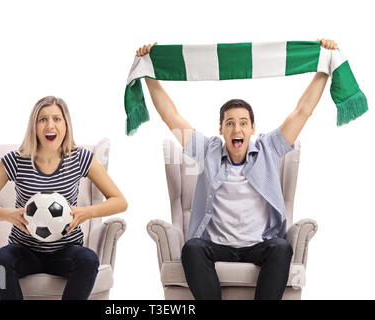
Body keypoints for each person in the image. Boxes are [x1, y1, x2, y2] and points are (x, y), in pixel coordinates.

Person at [136, 39, 338, 300]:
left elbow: (303, 111)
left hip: (258, 245)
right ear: (221, 129)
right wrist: (149, 73)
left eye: (243, 123)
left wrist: (324, 66)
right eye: (230, 123)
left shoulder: (270, 148)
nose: (236, 129)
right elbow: (170, 116)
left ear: (253, 128)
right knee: (191, 249)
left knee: (281, 248)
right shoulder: (206, 150)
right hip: (216, 246)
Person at [0, 96, 128, 300]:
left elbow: (120, 201)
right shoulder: (15, 160)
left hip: (66, 250)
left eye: (57, 119)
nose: (50, 125)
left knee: (89, 260)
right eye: (42, 119)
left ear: (66, 124)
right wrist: (8, 215)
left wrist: (87, 213)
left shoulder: (80, 158)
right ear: (34, 126)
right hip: (24, 249)